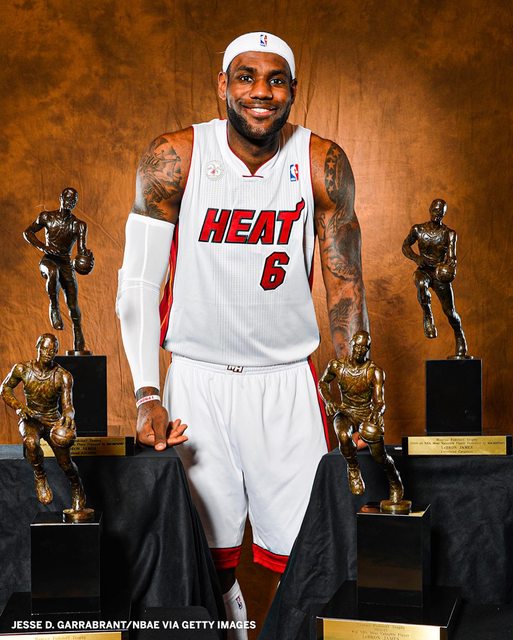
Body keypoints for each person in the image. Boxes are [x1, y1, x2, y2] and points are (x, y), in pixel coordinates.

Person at [116, 32, 368, 636]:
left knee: (308, 555)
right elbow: (139, 282)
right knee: (201, 555)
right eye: (246, 77)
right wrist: (146, 393)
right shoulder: (176, 157)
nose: (261, 91)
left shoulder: (320, 163)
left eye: (276, 80)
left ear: (293, 90)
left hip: (287, 384)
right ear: (222, 85)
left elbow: (346, 285)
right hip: (197, 383)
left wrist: (357, 392)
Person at [318, 331, 408, 513]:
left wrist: (377, 412)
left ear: (368, 349)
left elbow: (380, 401)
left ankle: (395, 480)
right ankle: (353, 469)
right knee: (343, 436)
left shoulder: (374, 371)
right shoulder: (337, 366)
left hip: (367, 413)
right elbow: (322, 383)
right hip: (346, 411)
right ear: (351, 344)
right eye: (357, 346)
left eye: (364, 348)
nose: (359, 350)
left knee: (379, 456)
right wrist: (329, 401)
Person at [0, 333, 88, 516]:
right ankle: (40, 475)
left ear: (56, 352)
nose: (48, 353)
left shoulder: (63, 376)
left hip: (52, 420)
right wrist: (18, 407)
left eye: (52, 350)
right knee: (30, 442)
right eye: (45, 348)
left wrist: (69, 416)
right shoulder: (22, 369)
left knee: (66, 464)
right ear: (38, 347)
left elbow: (68, 405)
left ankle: (77, 487)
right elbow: (5, 388)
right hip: (31, 419)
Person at [24, 187, 94, 353]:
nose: (70, 202)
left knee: (73, 304)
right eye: (68, 198)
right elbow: (28, 232)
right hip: (48, 260)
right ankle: (54, 307)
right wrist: (43, 247)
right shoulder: (46, 217)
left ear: (75, 203)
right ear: (61, 198)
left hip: (66, 264)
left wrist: (87, 259)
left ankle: (78, 333)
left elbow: (81, 249)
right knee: (53, 272)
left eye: (73, 200)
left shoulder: (79, 225)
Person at [402, 198, 469, 358]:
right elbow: (405, 246)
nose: (437, 214)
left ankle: (459, 334)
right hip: (423, 271)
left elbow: (452, 258)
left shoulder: (449, 234)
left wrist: (449, 268)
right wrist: (416, 258)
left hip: (439, 274)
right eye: (435, 210)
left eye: (441, 212)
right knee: (420, 283)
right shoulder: (418, 229)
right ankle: (428, 316)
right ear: (430, 209)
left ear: (444, 214)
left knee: (450, 312)